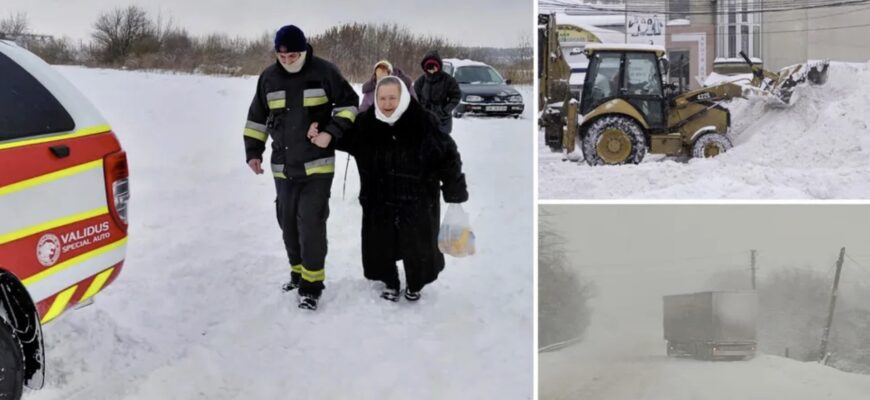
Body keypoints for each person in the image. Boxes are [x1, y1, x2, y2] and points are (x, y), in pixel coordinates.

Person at [309, 76, 468, 302]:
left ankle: (415, 283)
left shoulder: (424, 122)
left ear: (402, 97)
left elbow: (448, 156)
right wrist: (322, 130)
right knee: (382, 243)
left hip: (418, 199)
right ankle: (389, 281)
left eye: (392, 97)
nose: (387, 103)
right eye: (382, 98)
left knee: (417, 245)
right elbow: (341, 136)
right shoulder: (365, 124)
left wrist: (454, 190)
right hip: (378, 199)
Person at [242, 24, 359, 311]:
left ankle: (312, 285)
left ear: (304, 50)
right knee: (287, 222)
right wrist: (253, 152)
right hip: (283, 166)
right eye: (282, 55)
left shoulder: (324, 72)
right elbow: (257, 118)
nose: (287, 60)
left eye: (293, 55)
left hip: (317, 165)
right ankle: (298, 271)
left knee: (310, 221)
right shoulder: (268, 78)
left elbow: (349, 105)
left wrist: (330, 132)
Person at [413, 50, 461, 134]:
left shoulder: (448, 80)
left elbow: (456, 96)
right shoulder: (421, 81)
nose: (431, 70)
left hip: (442, 120)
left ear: (438, 66)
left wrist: (445, 110)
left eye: (433, 66)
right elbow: (414, 97)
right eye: (429, 67)